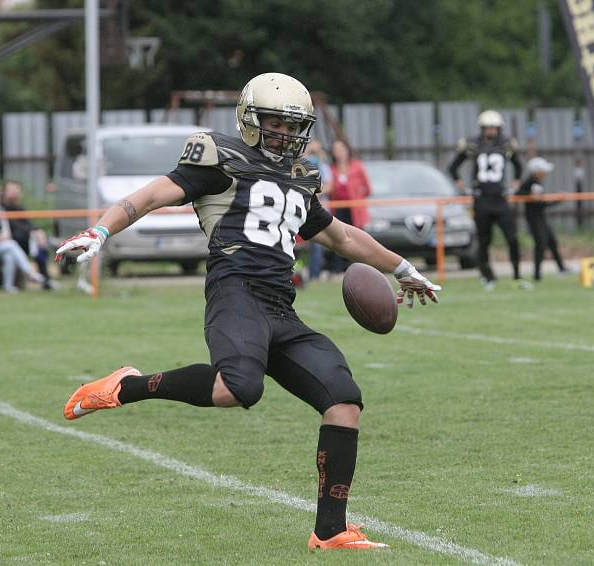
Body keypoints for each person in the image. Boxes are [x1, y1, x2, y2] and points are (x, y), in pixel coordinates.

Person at [55, 73, 440, 551]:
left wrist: (403, 267)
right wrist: (100, 231)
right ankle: (126, 386)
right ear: (249, 119)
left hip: (282, 306)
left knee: (344, 399)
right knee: (238, 388)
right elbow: (150, 196)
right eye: (275, 121)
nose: (284, 132)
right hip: (234, 291)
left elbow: (342, 237)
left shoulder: (300, 178)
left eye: (293, 124)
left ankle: (331, 530)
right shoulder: (221, 159)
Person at [448, 110, 530, 291]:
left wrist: (515, 185)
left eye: (494, 127)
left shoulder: (506, 144)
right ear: (482, 128)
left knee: (512, 238)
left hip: (500, 199)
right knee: (484, 240)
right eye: (488, 127)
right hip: (481, 199)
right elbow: (453, 167)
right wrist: (462, 187)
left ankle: (517, 276)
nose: (491, 130)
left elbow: (518, 166)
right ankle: (487, 276)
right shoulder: (472, 144)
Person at [516, 157, 568, 281]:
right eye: (543, 170)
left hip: (540, 216)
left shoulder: (537, 182)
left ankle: (561, 268)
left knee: (551, 241)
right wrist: (530, 196)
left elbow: (541, 203)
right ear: (537, 171)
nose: (545, 173)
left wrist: (556, 200)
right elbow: (518, 193)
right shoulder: (530, 181)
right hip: (533, 218)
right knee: (541, 243)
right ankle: (537, 274)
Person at [2, 180, 57, 290]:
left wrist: (38, 232)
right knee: (35, 244)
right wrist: (33, 232)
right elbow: (15, 226)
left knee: (40, 248)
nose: (14, 192)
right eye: (11, 190)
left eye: (16, 189)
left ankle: (46, 281)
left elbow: (28, 224)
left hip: (24, 240)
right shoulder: (2, 207)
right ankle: (32, 274)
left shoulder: (19, 207)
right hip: (10, 241)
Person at [328, 139, 371, 273]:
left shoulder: (357, 166)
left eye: (341, 149)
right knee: (338, 238)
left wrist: (358, 196)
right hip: (338, 209)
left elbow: (367, 188)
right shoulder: (331, 169)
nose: (339, 153)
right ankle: (338, 270)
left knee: (357, 239)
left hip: (355, 210)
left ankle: (359, 268)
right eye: (336, 150)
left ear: (347, 150)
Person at [303, 139, 332, 280]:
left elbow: (329, 186)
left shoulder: (324, 167)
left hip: (319, 208)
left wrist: (314, 194)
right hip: (304, 207)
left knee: (318, 245)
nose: (313, 154)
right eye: (311, 151)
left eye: (316, 151)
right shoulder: (302, 165)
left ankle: (315, 274)